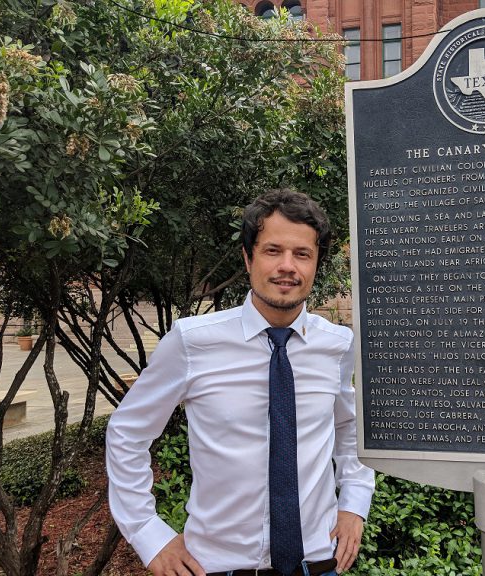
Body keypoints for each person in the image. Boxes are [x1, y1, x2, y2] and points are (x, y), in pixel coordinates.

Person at [106, 189, 375, 576]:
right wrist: (148, 533)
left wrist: (354, 501)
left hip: (317, 562)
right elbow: (127, 432)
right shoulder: (192, 341)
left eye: (302, 254)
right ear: (248, 258)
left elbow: (348, 428)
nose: (288, 266)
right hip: (216, 567)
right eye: (272, 251)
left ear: (316, 264)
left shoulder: (336, 345)